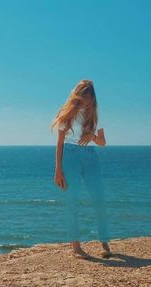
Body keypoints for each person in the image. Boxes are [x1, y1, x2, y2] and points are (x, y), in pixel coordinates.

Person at [51, 79, 112, 259]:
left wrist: (91, 135)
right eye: (84, 97)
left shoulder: (95, 115)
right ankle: (76, 247)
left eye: (90, 98)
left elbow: (102, 143)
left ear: (93, 98)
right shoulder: (67, 113)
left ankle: (105, 243)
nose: (87, 102)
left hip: (90, 156)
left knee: (99, 199)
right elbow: (60, 142)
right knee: (72, 200)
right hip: (70, 156)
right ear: (78, 96)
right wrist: (58, 170)